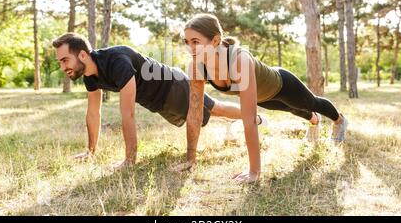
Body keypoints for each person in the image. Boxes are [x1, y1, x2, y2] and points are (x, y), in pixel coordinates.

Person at [52, 32, 266, 170]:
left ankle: (253, 118)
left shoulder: (117, 61)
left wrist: (129, 161)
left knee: (213, 109)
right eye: (60, 62)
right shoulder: (90, 75)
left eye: (65, 60)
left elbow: (128, 114)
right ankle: (246, 119)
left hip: (172, 86)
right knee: (212, 110)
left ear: (81, 55)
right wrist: (91, 151)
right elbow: (93, 113)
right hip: (160, 100)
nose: (63, 67)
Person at [182, 13, 348, 183]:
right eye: (186, 42)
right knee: (291, 109)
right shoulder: (196, 67)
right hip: (263, 98)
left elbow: (249, 121)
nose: (190, 48)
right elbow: (195, 113)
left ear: (215, 41)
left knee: (311, 103)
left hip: (283, 85)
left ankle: (339, 121)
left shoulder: (239, 60)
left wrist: (254, 171)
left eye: (195, 42)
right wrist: (190, 157)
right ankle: (314, 120)